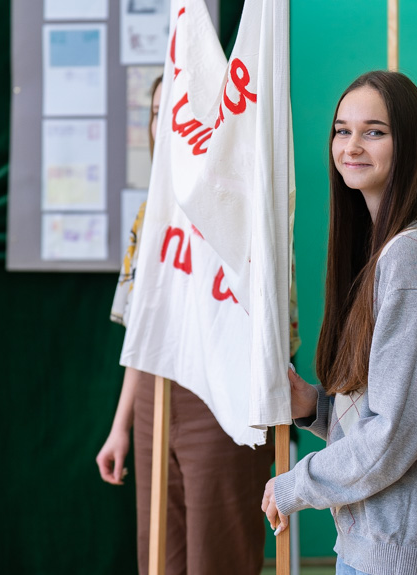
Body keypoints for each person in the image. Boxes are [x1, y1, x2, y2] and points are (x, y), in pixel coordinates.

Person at [261, 70, 417, 575]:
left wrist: (295, 484)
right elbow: (399, 406)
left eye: (374, 131)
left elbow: (395, 432)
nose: (352, 146)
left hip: (403, 551)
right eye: (342, 130)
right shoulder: (387, 247)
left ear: (408, 141)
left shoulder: (414, 257)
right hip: (379, 541)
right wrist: (315, 407)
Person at [96, 76, 276, 575]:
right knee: (160, 552)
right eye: (156, 113)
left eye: (173, 112)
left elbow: (271, 328)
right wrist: (120, 427)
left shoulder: (244, 205)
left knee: (217, 550)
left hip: (220, 397)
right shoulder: (150, 212)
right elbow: (142, 331)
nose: (164, 124)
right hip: (156, 396)